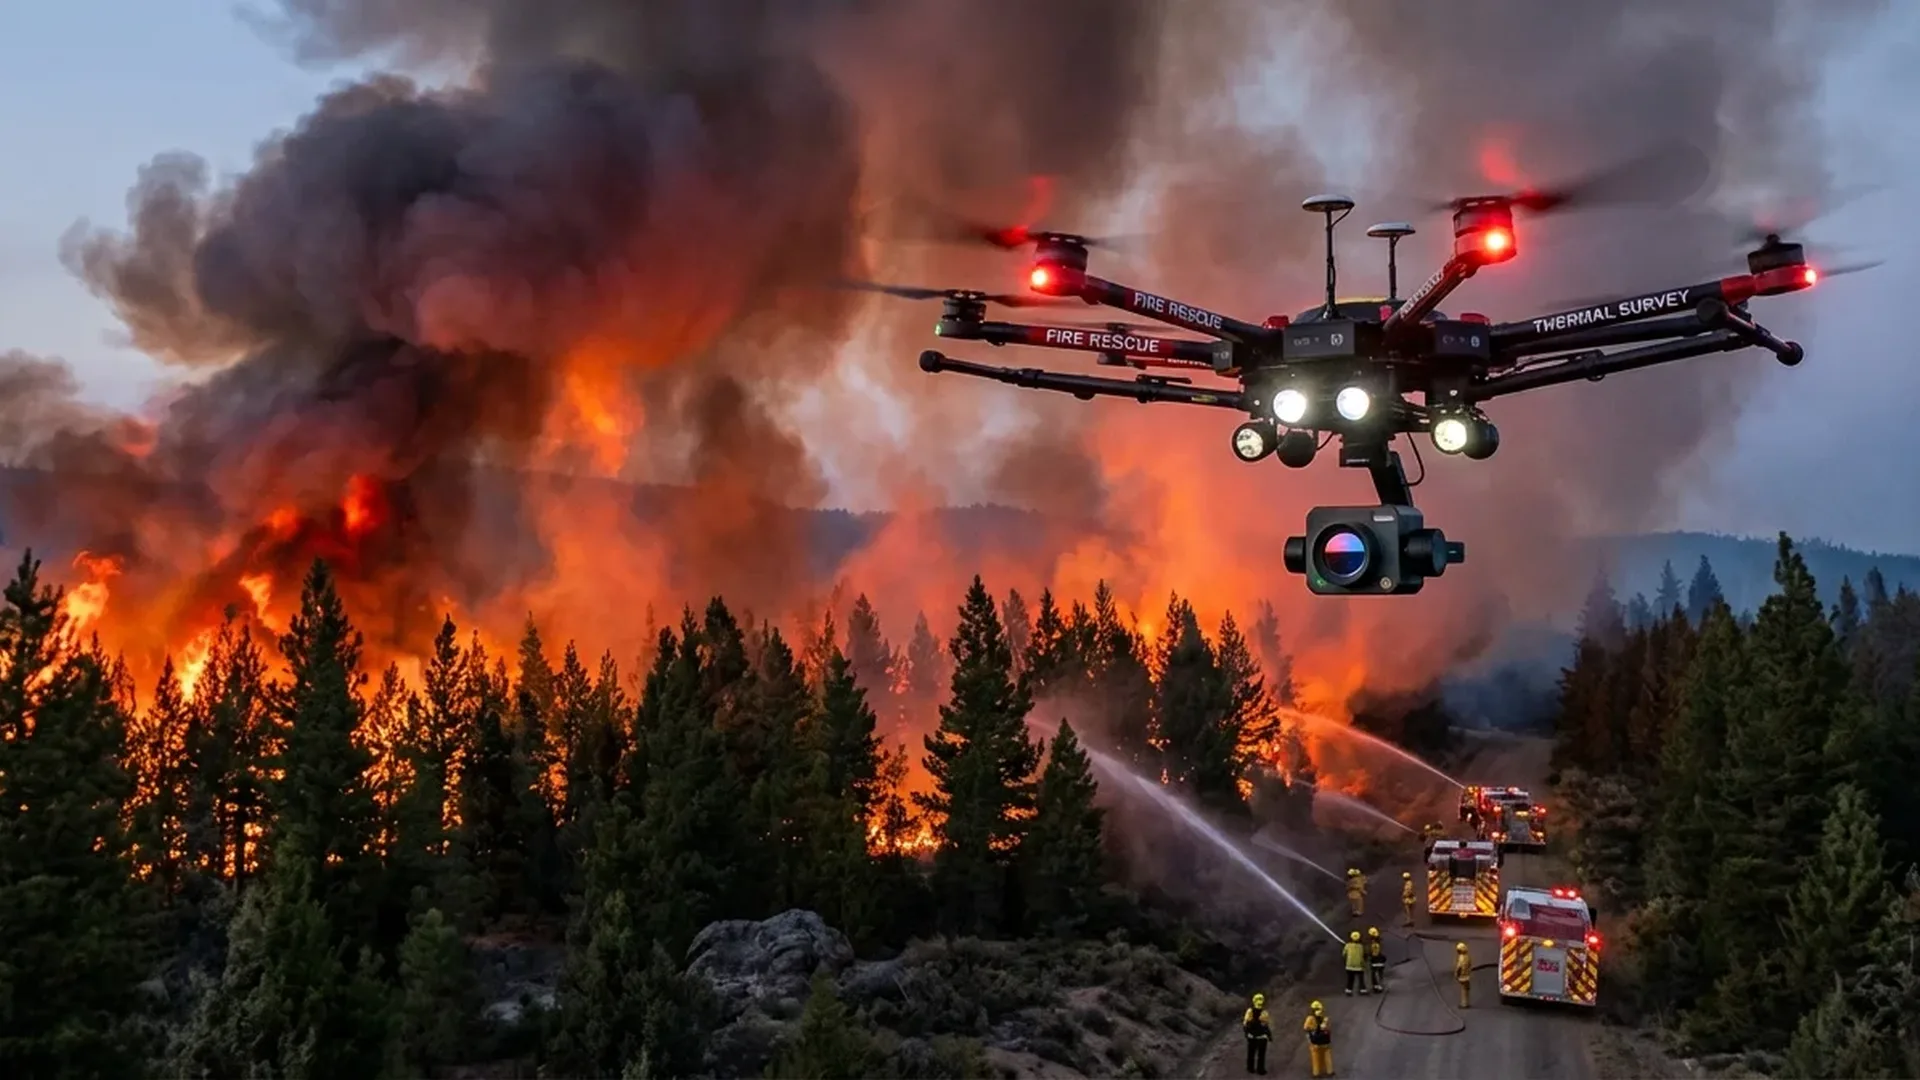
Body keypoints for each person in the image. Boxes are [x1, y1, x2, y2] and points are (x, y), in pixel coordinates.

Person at [1244, 992, 1273, 1075]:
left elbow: (1245, 1024)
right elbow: (1266, 1026)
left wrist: (1246, 1033)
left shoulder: (1249, 1011)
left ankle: (1250, 1068)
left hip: (1252, 1037)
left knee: (1251, 1053)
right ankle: (1260, 1069)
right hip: (1262, 1037)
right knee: (1261, 1055)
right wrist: (1269, 1036)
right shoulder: (1265, 1013)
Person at [1303, 1000, 1333, 1078]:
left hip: (1315, 1042)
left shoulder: (1310, 1018)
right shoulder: (1324, 1018)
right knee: (1326, 1056)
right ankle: (1329, 1071)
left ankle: (1316, 1073)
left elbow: (1305, 1028)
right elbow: (1327, 1028)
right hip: (1325, 1041)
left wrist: (1312, 1030)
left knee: (1315, 1058)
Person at [1342, 930, 1368, 996]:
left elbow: (1344, 954)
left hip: (1349, 966)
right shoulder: (1361, 946)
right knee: (1361, 979)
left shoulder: (1347, 945)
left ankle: (1348, 990)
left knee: (1350, 979)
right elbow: (1364, 954)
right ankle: (1362, 990)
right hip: (1359, 966)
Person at [1366, 927, 1387, 993]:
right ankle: (1380, 985)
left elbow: (1369, 952)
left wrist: (1367, 956)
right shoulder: (1381, 942)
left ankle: (1376, 986)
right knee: (1380, 973)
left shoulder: (1371, 944)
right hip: (1381, 960)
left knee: (1374, 973)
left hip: (1374, 960)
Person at [1455, 941, 1473, 1008]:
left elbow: (1459, 967)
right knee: (1467, 989)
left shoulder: (1461, 958)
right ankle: (1466, 1003)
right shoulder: (1467, 957)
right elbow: (1470, 964)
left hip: (1462, 976)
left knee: (1463, 991)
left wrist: (1456, 974)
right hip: (1467, 976)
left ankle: (1464, 1004)